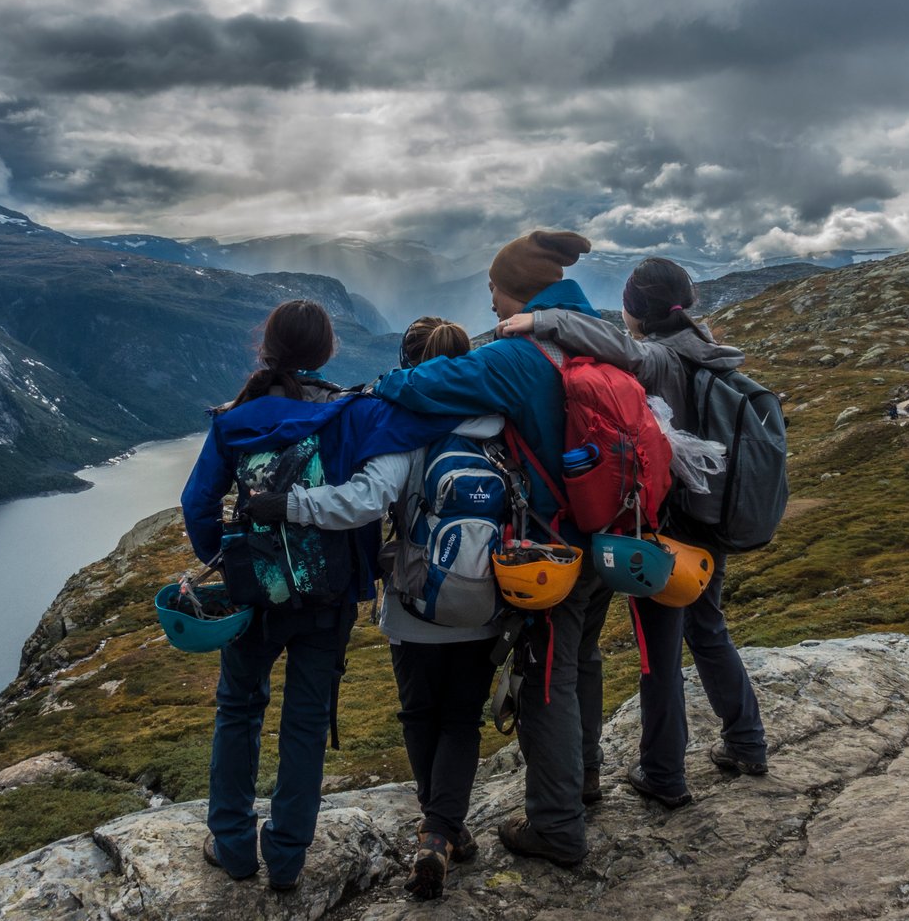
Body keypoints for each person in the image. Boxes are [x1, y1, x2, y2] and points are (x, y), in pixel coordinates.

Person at [181, 300, 458, 892]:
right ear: (328, 352)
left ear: (267, 348)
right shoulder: (353, 415)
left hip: (255, 591)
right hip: (328, 598)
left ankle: (232, 847)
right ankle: (286, 859)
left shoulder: (235, 419)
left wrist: (224, 563)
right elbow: (407, 450)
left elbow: (196, 503)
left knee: (239, 709)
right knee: (306, 721)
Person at [499, 255, 770, 810]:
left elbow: (617, 347)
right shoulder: (713, 354)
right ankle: (747, 741)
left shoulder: (662, 359)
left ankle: (664, 775)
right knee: (710, 630)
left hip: (670, 532)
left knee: (658, 653)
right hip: (713, 525)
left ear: (635, 313)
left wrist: (541, 321)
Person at [374, 231, 610, 868]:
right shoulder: (599, 335)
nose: (491, 305)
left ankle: (558, 828)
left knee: (545, 685)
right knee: (582, 661)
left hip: (554, 551)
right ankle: (584, 778)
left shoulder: (521, 354)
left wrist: (381, 383)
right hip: (611, 533)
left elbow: (424, 386)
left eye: (493, 292)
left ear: (517, 291)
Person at [244, 316, 499, 899]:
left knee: (418, 714)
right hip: (486, 598)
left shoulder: (403, 428)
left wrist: (288, 506)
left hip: (415, 605)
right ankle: (442, 832)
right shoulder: (497, 425)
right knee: (462, 717)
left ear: (410, 367)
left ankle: (436, 828)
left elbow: (362, 502)